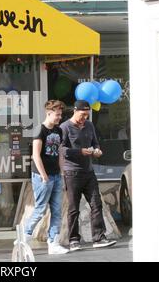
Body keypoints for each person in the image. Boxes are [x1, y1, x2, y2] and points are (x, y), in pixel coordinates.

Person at [59, 100, 117, 251]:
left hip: (89, 171)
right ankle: (73, 240)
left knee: (96, 204)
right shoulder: (65, 127)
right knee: (73, 208)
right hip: (72, 172)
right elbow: (62, 150)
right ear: (75, 111)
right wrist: (80, 152)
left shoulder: (89, 125)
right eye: (82, 114)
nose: (84, 118)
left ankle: (99, 237)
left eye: (87, 115)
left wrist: (97, 150)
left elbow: (95, 143)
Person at [20, 100, 69, 255]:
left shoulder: (59, 131)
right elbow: (35, 155)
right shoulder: (39, 130)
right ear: (49, 113)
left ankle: (53, 243)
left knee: (56, 210)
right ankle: (24, 237)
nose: (59, 117)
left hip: (56, 175)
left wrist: (62, 173)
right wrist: (44, 176)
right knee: (40, 209)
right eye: (57, 114)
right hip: (42, 177)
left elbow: (60, 153)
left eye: (60, 114)